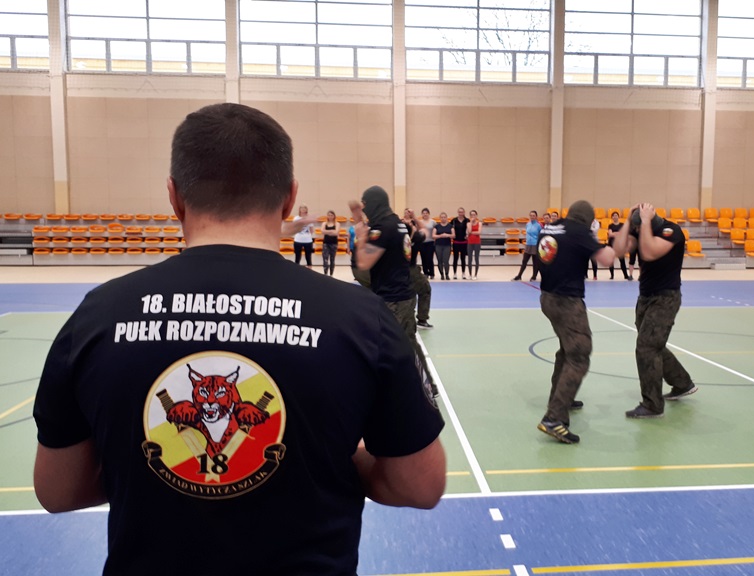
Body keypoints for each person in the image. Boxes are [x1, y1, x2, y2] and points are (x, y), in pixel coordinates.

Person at [32, 103, 446, 575]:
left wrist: (146, 462)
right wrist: (334, 457)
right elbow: (420, 485)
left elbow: (58, 490)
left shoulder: (97, 317)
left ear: (174, 196)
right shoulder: (363, 321)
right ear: (289, 198)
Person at [535, 200, 616, 444]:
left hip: (547, 297)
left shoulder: (551, 227)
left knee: (566, 350)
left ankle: (560, 399)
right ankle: (554, 418)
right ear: (587, 219)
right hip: (567, 301)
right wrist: (621, 240)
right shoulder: (579, 231)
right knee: (579, 354)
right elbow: (608, 259)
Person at [612, 202, 697, 419]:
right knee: (652, 343)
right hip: (646, 297)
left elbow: (649, 252)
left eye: (638, 228)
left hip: (665, 298)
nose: (636, 231)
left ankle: (652, 405)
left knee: (647, 347)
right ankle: (682, 383)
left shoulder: (671, 231)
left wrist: (644, 223)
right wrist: (628, 221)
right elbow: (619, 250)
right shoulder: (639, 229)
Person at [349, 186, 436, 391]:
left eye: (366, 205)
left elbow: (363, 263)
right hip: (399, 294)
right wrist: (359, 219)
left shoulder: (383, 228)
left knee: (400, 345)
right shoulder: (396, 223)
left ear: (374, 203)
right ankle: (424, 384)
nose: (365, 209)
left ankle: (424, 385)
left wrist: (360, 235)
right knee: (403, 343)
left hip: (394, 298)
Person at [408, 217, 434, 329]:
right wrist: (414, 217)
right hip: (410, 269)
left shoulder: (396, 237)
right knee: (425, 290)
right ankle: (422, 319)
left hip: (395, 269)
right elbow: (424, 229)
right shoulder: (416, 238)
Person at [512, 210, 542, 281]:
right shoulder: (528, 224)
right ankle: (519, 276)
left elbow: (541, 235)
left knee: (535, 262)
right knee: (524, 261)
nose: (532, 217)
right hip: (528, 244)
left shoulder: (539, 225)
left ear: (536, 216)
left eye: (533, 215)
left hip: (535, 245)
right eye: (531, 215)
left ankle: (534, 276)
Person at [606, 211, 631, 280]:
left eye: (616, 215)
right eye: (613, 216)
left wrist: (615, 233)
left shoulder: (622, 225)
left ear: (618, 216)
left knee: (622, 260)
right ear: (612, 217)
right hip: (611, 244)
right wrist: (618, 233)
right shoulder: (610, 225)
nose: (615, 217)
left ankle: (625, 275)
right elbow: (610, 234)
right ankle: (612, 275)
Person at [432, 212, 453, 280]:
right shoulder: (437, 226)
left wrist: (447, 235)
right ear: (440, 218)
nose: (443, 218)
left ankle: (447, 274)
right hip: (438, 245)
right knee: (439, 260)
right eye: (442, 217)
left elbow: (453, 235)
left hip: (447, 245)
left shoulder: (450, 226)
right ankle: (442, 274)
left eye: (444, 217)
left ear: (446, 218)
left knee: (446, 260)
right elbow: (433, 235)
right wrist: (440, 236)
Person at [450, 207, 469, 280]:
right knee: (455, 258)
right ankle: (454, 273)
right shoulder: (454, 220)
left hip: (464, 242)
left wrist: (467, 235)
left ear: (464, 212)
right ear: (458, 212)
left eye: (462, 212)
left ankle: (463, 273)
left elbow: (469, 229)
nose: (461, 213)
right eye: (459, 212)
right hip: (456, 242)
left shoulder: (467, 220)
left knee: (463, 258)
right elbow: (450, 229)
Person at [320, 209, 340, 276]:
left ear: (334, 216)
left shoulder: (337, 224)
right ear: (327, 216)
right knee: (325, 259)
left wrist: (327, 232)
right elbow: (322, 231)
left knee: (332, 259)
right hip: (326, 243)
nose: (330, 216)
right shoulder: (324, 223)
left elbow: (336, 233)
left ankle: (331, 274)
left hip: (334, 243)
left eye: (331, 215)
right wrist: (331, 231)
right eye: (329, 215)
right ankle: (325, 274)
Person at [419, 207, 436, 279]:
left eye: (426, 213)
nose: (425, 214)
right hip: (422, 242)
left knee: (429, 258)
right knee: (423, 258)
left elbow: (436, 230)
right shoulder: (420, 222)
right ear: (422, 214)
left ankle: (431, 273)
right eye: (423, 213)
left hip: (430, 242)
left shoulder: (433, 222)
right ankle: (425, 272)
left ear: (429, 214)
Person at [466, 209, 482, 280]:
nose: (473, 216)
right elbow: (469, 231)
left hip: (477, 242)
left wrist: (471, 233)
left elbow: (479, 232)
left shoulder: (479, 223)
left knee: (476, 258)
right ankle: (470, 274)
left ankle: (475, 274)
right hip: (470, 242)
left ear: (476, 215)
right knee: (469, 258)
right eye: (471, 215)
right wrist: (471, 222)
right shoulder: (468, 223)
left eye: (474, 215)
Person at [587, 216, 601, 280]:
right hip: (586, 241)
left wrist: (589, 229)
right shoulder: (586, 221)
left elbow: (595, 231)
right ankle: (585, 274)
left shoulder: (596, 222)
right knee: (585, 260)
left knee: (594, 259)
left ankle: (595, 275)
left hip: (594, 241)